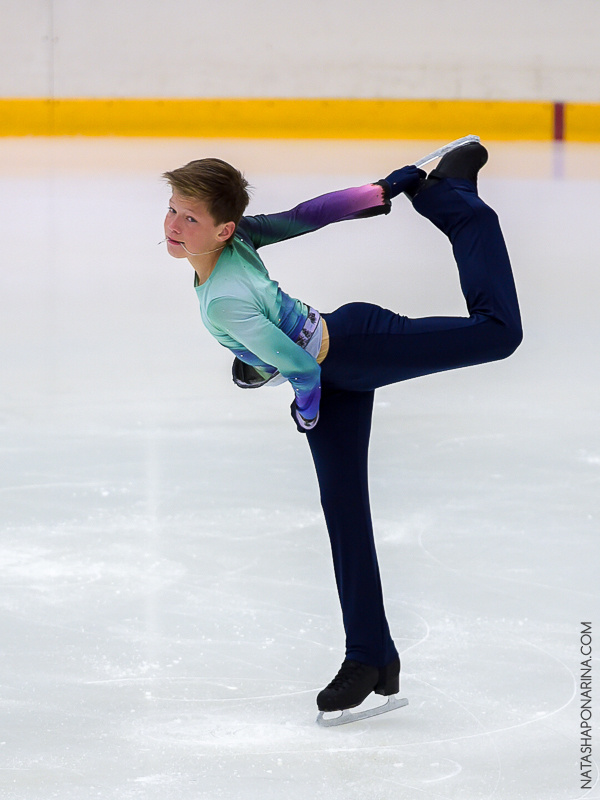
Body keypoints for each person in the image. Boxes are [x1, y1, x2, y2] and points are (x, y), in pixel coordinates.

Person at [161, 142, 522, 718]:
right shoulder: (237, 243)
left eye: (190, 218)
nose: (174, 226)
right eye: (173, 210)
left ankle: (456, 200)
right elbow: (311, 215)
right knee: (344, 514)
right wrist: (378, 192)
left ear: (224, 229)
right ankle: (370, 656)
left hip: (356, 347)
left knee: (499, 333)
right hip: (333, 375)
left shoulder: (222, 296)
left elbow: (303, 370)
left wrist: (304, 411)